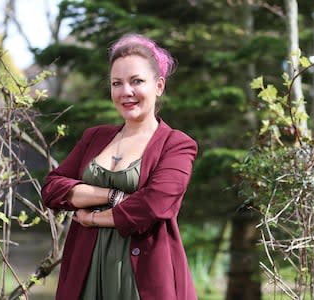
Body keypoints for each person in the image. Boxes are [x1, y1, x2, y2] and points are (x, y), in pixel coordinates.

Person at [41, 33, 198, 300]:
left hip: (142, 279)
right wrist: (113, 196)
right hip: (85, 273)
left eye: (136, 81)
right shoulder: (95, 137)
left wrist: (92, 217)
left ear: (159, 86)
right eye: (117, 83)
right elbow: (52, 188)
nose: (126, 91)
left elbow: (153, 205)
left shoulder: (177, 144)